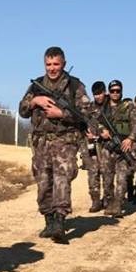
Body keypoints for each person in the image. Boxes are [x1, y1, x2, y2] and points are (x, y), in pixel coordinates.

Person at [19, 47, 93, 244]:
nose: (52, 68)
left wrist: (62, 114)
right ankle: (49, 220)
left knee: (62, 179)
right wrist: (35, 100)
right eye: (48, 64)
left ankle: (60, 221)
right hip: (41, 141)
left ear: (64, 64)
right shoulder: (36, 86)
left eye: (56, 64)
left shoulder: (75, 86)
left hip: (65, 140)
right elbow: (22, 111)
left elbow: (86, 113)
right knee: (43, 182)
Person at [98, 79, 136, 217]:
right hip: (107, 148)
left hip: (123, 146)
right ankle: (109, 203)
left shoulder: (129, 106)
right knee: (107, 178)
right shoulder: (102, 107)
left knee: (122, 177)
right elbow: (92, 121)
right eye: (112, 91)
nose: (115, 93)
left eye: (118, 91)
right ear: (108, 92)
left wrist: (131, 138)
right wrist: (101, 130)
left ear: (121, 91)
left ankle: (118, 204)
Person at [81, 80, 108, 212]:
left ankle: (108, 199)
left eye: (100, 93)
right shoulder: (89, 109)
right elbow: (81, 123)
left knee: (107, 173)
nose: (97, 96)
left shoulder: (111, 107)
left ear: (105, 92)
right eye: (95, 94)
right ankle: (95, 201)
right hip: (91, 145)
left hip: (106, 146)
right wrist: (87, 134)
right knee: (93, 174)